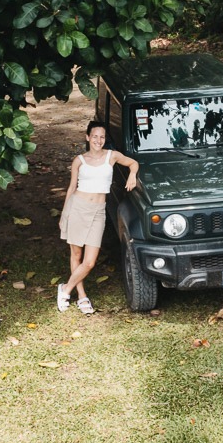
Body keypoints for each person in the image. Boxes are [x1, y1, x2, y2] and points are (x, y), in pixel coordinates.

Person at [57, 121, 138, 313]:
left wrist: (132, 175)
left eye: (102, 137)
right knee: (76, 254)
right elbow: (71, 188)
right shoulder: (79, 160)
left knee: (90, 261)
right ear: (87, 137)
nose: (98, 140)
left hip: (98, 211)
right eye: (94, 136)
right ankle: (82, 296)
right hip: (78, 208)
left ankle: (65, 289)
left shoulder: (112, 156)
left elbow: (133, 163)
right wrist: (64, 214)